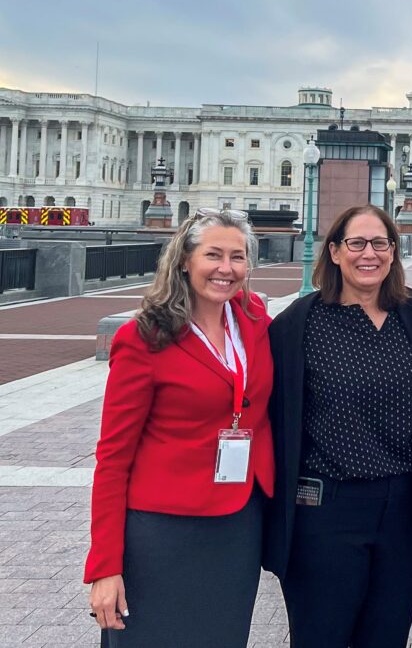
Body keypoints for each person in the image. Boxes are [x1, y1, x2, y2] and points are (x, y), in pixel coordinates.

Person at [85, 209, 274, 647]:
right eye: (213, 255)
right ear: (185, 260)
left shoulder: (252, 318)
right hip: (163, 532)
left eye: (238, 257)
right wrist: (105, 567)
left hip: (236, 524)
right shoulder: (143, 337)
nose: (226, 269)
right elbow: (112, 459)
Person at [264, 205, 412, 648]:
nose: (370, 254)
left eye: (380, 243)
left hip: (401, 506)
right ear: (335, 252)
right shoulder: (298, 324)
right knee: (322, 635)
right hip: (326, 508)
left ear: (393, 252)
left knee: (387, 635)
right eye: (357, 243)